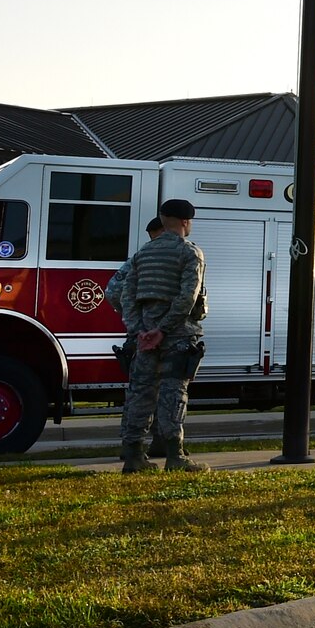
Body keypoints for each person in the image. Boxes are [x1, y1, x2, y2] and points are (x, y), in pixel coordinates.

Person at [117, 199, 208, 474]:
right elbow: (187, 297)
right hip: (176, 335)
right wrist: (163, 330)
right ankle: (175, 456)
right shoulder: (189, 253)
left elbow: (126, 295)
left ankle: (133, 457)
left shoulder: (143, 253)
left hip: (144, 337)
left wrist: (140, 330)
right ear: (185, 222)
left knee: (140, 393)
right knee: (172, 393)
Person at [108, 215, 164, 456]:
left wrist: (134, 319)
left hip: (140, 335)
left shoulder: (139, 258)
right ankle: (162, 443)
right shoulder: (175, 256)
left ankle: (131, 446)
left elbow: (113, 292)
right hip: (164, 334)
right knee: (167, 392)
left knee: (138, 392)